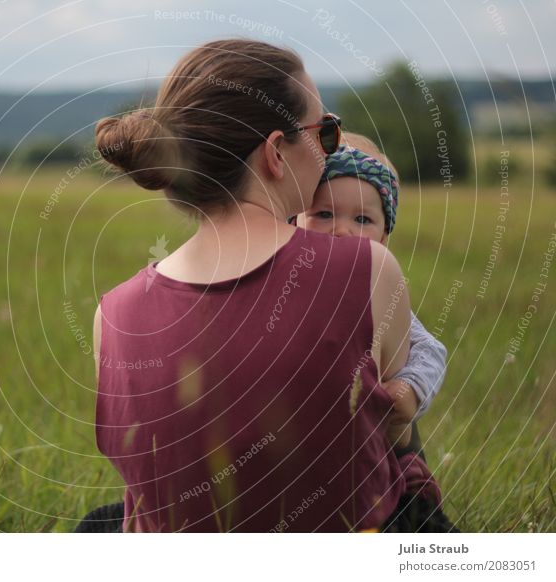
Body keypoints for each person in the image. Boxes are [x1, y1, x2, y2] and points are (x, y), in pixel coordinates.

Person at [79, 39, 455, 532]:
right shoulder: (368, 268)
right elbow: (391, 424)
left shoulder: (112, 315)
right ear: (276, 152)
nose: (332, 149)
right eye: (325, 133)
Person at [295, 133, 448, 456]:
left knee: (402, 436)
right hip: (303, 433)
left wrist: (409, 390)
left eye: (362, 219)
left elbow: (429, 349)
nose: (342, 230)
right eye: (324, 214)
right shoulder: (285, 285)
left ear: (383, 240)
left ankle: (410, 487)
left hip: (373, 429)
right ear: (293, 221)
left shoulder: (376, 294)